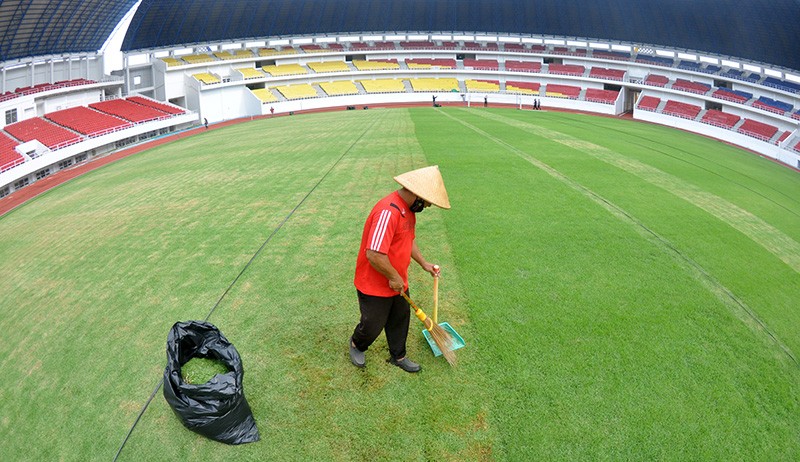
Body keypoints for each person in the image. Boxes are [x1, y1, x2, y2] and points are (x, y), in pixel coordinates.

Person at [349, 165, 451, 373]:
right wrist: (394, 277)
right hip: (374, 284)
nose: (427, 207)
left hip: (396, 281)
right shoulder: (388, 211)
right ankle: (357, 344)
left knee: (400, 318)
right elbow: (374, 254)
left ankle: (399, 355)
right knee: (372, 325)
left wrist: (424, 263)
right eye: (427, 203)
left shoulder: (408, 212)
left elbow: (407, 239)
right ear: (416, 194)